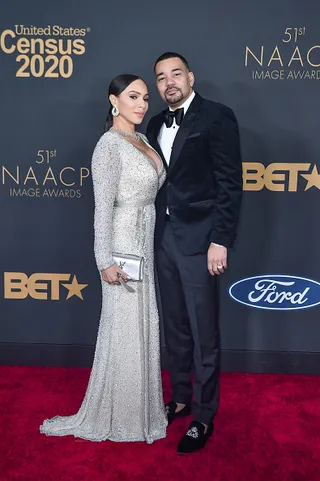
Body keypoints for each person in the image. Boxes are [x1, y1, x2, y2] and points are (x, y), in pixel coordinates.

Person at [40, 74, 167, 443]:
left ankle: (142, 411)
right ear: (114, 100)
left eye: (145, 97)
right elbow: (102, 209)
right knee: (124, 328)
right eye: (133, 96)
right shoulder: (108, 146)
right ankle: (120, 415)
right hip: (122, 245)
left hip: (144, 240)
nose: (142, 104)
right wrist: (104, 260)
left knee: (141, 324)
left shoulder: (140, 139)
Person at [147, 53, 243, 454]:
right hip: (164, 236)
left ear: (190, 77)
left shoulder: (217, 116)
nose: (169, 82)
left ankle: (204, 416)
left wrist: (220, 240)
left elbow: (230, 183)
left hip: (202, 240)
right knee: (175, 327)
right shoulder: (153, 123)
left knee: (204, 332)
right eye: (161, 77)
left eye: (175, 74)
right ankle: (182, 397)